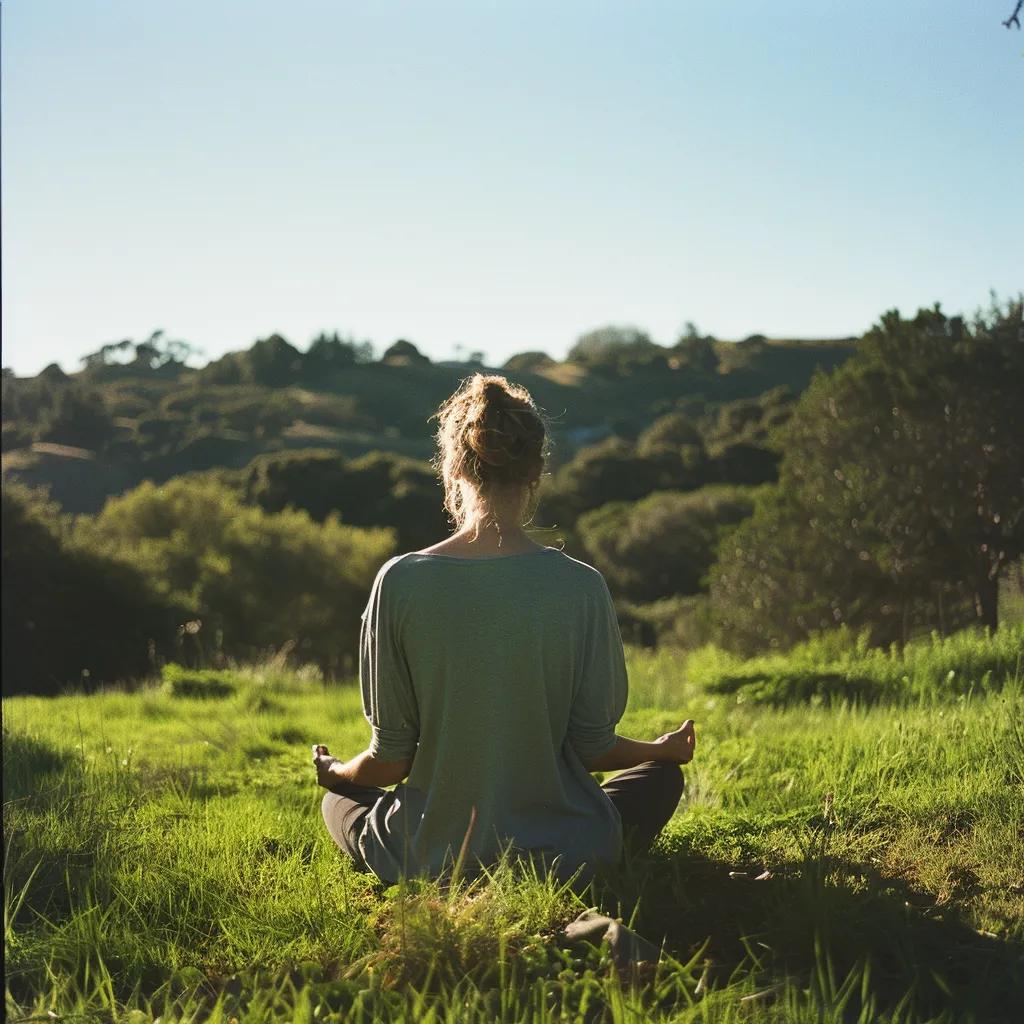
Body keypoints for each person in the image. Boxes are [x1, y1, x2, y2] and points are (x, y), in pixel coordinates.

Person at [314, 372, 696, 885]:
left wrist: (335, 772)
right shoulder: (581, 586)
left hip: (431, 854)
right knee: (658, 781)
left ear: (452, 470)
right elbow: (595, 750)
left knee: (340, 800)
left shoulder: (399, 581)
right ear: (536, 471)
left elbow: (388, 764)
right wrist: (660, 751)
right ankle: (573, 846)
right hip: (564, 851)